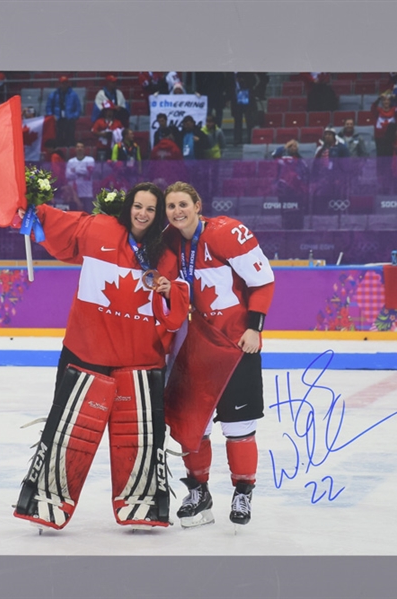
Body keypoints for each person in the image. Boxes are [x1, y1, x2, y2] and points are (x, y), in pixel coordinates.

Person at [13, 183, 190, 531]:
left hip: (139, 360)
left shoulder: (167, 253)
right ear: (128, 207)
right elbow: (62, 226)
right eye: (137, 206)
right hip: (86, 352)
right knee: (65, 433)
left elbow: (175, 312)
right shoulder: (100, 229)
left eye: (150, 209)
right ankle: (44, 501)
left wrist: (171, 292)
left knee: (139, 439)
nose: (142, 213)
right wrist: (32, 206)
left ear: (158, 216)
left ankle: (144, 507)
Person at [162, 181, 275, 528]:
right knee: (191, 426)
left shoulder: (226, 233)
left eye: (183, 204)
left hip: (235, 344)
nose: (177, 212)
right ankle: (198, 492)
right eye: (171, 206)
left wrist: (254, 328)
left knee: (239, 426)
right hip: (193, 347)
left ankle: (243, 491)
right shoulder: (168, 240)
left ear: (198, 205)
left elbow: (263, 281)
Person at [45, 75, 82, 148]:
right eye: (62, 83)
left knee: (70, 138)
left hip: (69, 119)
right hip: (58, 120)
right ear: (59, 84)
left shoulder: (73, 95)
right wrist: (52, 116)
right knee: (59, 138)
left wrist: (74, 116)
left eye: (65, 83)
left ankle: (70, 152)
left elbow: (78, 108)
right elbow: (48, 107)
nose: (64, 85)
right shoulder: (54, 95)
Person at [65, 142, 96, 212]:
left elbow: (89, 173)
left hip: (87, 193)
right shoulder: (71, 161)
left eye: (81, 147)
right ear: (75, 149)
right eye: (78, 147)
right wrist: (82, 172)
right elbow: (68, 175)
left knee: (88, 213)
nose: (80, 148)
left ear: (84, 149)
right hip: (74, 193)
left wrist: (75, 170)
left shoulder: (90, 160)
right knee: (74, 214)